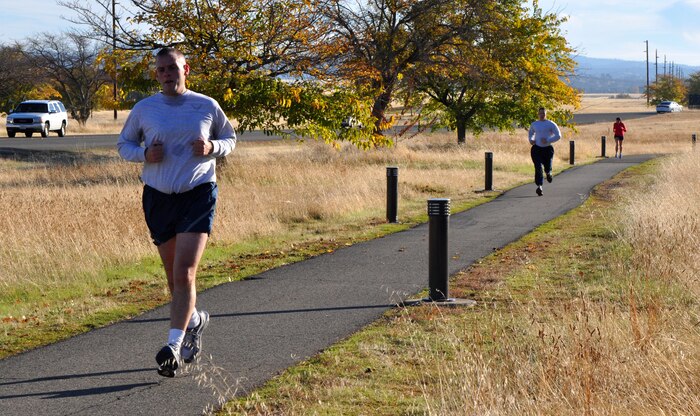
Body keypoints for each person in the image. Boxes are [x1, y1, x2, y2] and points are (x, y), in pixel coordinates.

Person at [117, 47, 236, 377]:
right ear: (157, 75)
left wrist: (213, 147)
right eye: (161, 70)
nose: (167, 73)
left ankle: (172, 346)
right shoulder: (145, 109)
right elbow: (122, 145)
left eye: (172, 68)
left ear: (186, 68)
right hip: (158, 197)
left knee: (184, 273)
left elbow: (230, 138)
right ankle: (194, 320)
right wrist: (143, 154)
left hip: (197, 194)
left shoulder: (206, 105)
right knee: (173, 279)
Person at [528, 107, 561, 196]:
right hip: (536, 149)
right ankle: (539, 187)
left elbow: (558, 135)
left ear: (546, 114)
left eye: (543, 113)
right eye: (540, 113)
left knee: (547, 166)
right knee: (538, 167)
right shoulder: (534, 124)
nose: (542, 115)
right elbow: (531, 133)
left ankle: (548, 173)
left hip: (547, 149)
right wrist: (531, 140)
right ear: (538, 114)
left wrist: (548, 140)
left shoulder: (551, 124)